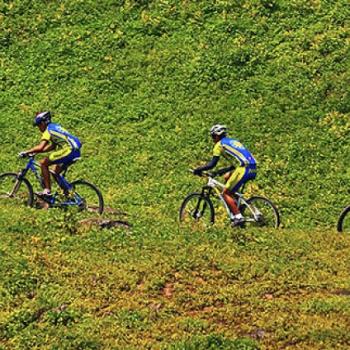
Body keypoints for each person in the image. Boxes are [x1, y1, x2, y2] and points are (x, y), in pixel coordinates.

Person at [193, 124, 257, 226]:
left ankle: (238, 217)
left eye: (213, 136)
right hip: (252, 167)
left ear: (217, 136)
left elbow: (212, 164)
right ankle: (236, 205)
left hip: (243, 168)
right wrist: (217, 172)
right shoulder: (232, 141)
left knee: (225, 193)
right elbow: (233, 166)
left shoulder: (219, 145)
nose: (213, 139)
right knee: (227, 177)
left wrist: (198, 169)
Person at [19, 111, 82, 200]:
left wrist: (27, 152)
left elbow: (41, 147)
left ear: (43, 123)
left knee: (43, 163)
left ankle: (47, 190)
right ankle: (68, 195)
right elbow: (52, 146)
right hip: (75, 151)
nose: (39, 128)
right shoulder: (55, 127)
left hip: (69, 150)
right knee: (54, 172)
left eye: (38, 125)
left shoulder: (48, 130)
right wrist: (36, 152)